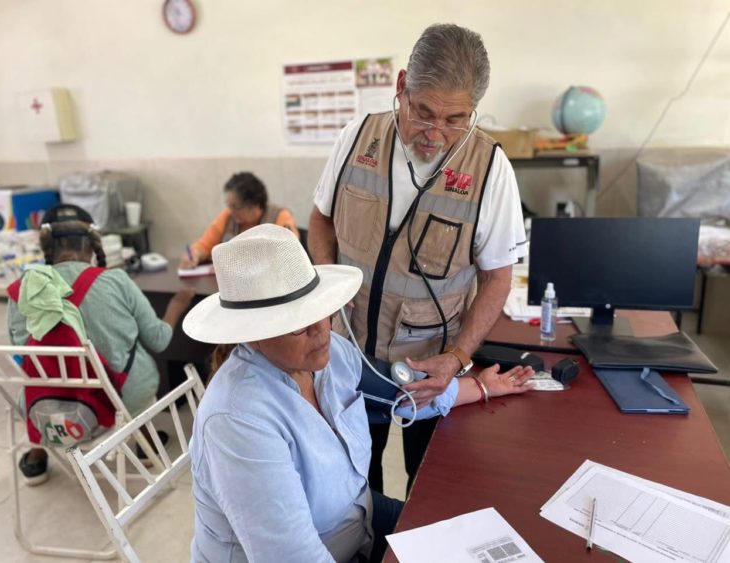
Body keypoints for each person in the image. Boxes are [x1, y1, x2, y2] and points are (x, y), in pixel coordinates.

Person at [183, 224, 533, 563]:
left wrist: (483, 386)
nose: (322, 329)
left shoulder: (330, 356)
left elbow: (402, 394)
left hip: (358, 521)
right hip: (329, 548)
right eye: (298, 325)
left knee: (469, 540)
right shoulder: (238, 421)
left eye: (320, 310)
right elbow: (294, 557)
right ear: (253, 334)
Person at [308, 23, 529, 493]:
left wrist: (457, 358)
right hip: (348, 357)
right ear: (402, 86)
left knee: (428, 491)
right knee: (353, 488)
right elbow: (321, 220)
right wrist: (326, 298)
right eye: (423, 113)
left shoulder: (491, 170)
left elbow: (497, 279)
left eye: (455, 119)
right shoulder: (357, 138)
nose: (435, 134)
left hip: (429, 371)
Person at [7, 204, 195, 485]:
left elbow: (21, 351)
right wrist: (176, 306)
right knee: (131, 367)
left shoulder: (22, 289)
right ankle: (146, 445)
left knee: (38, 378)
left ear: (46, 245)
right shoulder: (115, 280)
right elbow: (158, 340)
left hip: (47, 403)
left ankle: (37, 455)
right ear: (91, 244)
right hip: (118, 398)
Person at [180, 172, 299, 268]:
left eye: (236, 207)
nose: (231, 211)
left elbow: (289, 252)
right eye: (229, 206)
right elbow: (204, 245)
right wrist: (195, 255)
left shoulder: (280, 216)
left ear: (255, 205)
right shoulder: (227, 216)